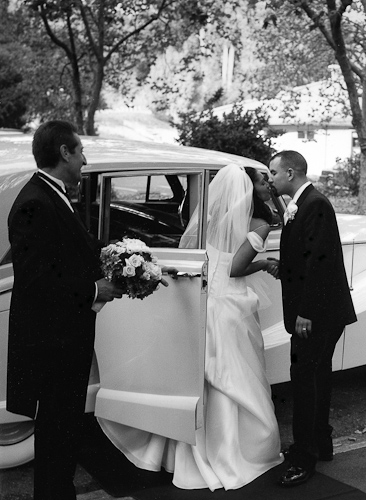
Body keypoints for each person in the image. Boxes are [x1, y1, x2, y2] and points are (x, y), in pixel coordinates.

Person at [97, 163, 283, 491]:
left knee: (202, 383)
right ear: (250, 191)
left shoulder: (210, 220)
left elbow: (197, 258)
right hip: (232, 309)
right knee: (235, 379)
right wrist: (266, 263)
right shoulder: (260, 223)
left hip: (207, 304)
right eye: (263, 181)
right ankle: (237, 453)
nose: (268, 185)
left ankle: (191, 453)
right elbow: (237, 268)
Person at [7, 120, 124, 500]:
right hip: (52, 343)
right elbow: (37, 280)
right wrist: (94, 288)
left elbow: (74, 250)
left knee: (64, 428)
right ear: (64, 153)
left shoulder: (51, 195)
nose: (84, 160)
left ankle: (60, 493)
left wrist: (124, 257)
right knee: (57, 429)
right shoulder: (34, 203)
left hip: (65, 339)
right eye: (80, 151)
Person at [268, 151, 357, 487]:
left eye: (274, 173)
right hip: (319, 310)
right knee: (317, 375)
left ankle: (304, 458)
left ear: (290, 172)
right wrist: (284, 268)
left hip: (316, 313)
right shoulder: (303, 203)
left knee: (305, 379)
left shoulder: (314, 204)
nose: (271, 179)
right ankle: (320, 443)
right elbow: (305, 256)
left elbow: (320, 262)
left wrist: (305, 311)